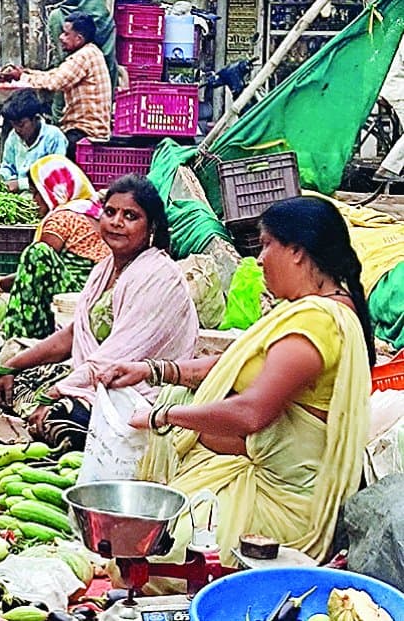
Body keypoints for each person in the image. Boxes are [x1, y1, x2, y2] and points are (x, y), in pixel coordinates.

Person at [103, 196, 373, 577]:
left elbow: (252, 412)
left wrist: (163, 416)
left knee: (145, 554)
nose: (259, 260)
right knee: (137, 538)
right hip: (251, 477)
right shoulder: (309, 309)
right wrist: (154, 371)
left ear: (296, 251)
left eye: (266, 245)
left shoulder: (318, 323)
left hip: (276, 506)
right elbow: (234, 368)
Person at [0, 174, 197, 448]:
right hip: (94, 378)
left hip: (136, 392)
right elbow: (74, 334)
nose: (117, 222)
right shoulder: (103, 270)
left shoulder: (160, 277)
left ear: (151, 226)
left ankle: (47, 419)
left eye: (130, 216)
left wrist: (54, 393)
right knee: (5, 380)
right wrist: (11, 366)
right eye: (110, 212)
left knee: (60, 419)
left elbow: (116, 359)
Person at [0, 156, 109, 341]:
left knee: (36, 255)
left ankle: (20, 336)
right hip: (99, 298)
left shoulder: (62, 219)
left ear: (53, 191)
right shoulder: (95, 211)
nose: (34, 200)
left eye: (36, 193)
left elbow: (34, 272)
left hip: (75, 299)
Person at [3, 12, 112, 158]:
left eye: (66, 34)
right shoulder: (91, 52)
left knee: (45, 149)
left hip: (84, 132)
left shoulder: (83, 57)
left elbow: (55, 82)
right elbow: (56, 74)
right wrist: (27, 73)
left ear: (79, 38)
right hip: (87, 130)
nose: (61, 37)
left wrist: (22, 77)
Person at [0, 89, 67, 192]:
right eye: (13, 125)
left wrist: (20, 184)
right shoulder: (13, 137)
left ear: (35, 118)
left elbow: (55, 177)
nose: (17, 130)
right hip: (19, 193)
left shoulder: (53, 137)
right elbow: (8, 166)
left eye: (21, 125)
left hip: (45, 194)